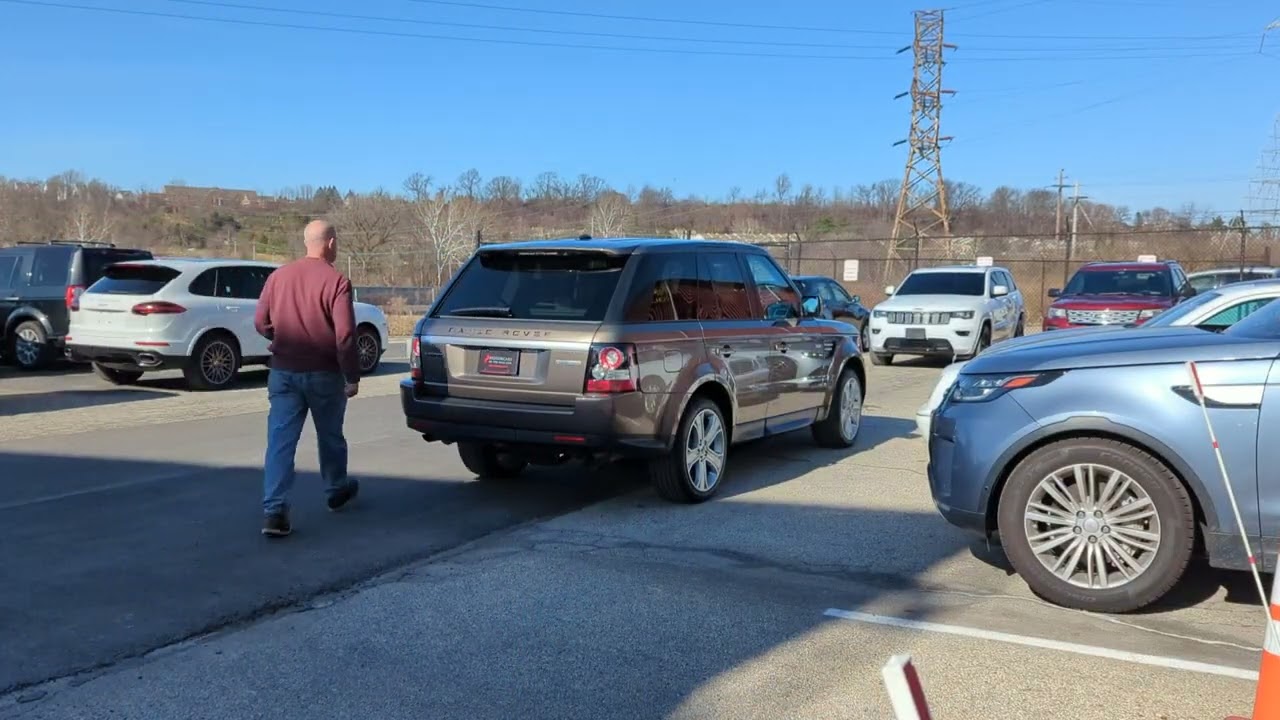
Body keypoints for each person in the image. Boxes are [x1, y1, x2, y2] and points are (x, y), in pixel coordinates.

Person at [253, 219, 361, 538]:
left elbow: (261, 322)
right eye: (336, 241)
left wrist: (282, 338)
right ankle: (335, 490)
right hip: (324, 373)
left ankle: (274, 511)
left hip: (284, 371)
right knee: (330, 436)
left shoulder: (278, 276)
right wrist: (351, 375)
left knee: (280, 442)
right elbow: (345, 336)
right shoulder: (337, 281)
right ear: (329, 243)